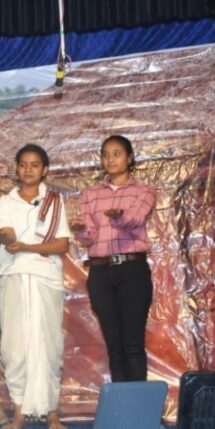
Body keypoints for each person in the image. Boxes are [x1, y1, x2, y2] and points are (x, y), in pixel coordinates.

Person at [0, 144, 69, 429]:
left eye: (35, 165)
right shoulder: (5, 203)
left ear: (44, 170)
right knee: (15, 348)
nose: (28, 169)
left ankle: (52, 413)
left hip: (46, 277)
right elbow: (7, 237)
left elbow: (62, 244)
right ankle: (19, 413)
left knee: (49, 346)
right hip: (13, 275)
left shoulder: (55, 201)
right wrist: (6, 238)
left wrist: (28, 247)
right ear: (16, 169)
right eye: (23, 164)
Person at [71, 135, 156, 383]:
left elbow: (135, 219)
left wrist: (119, 217)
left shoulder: (144, 191)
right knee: (115, 348)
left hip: (132, 270)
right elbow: (89, 237)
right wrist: (80, 229)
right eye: (105, 155)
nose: (110, 159)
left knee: (133, 345)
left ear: (130, 158)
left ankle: (138, 403)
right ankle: (121, 403)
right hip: (100, 273)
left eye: (116, 154)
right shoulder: (90, 194)